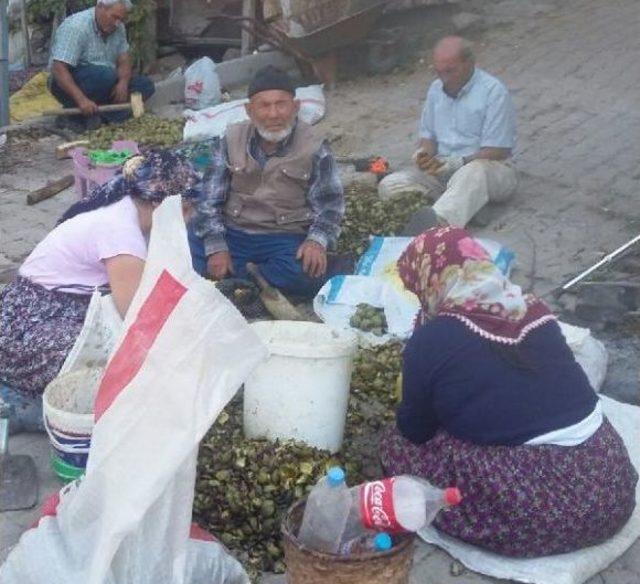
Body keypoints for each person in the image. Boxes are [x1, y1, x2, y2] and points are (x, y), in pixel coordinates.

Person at [380, 226, 637, 557]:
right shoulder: (535, 311)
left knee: (395, 446)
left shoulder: (430, 340)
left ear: (430, 280)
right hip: (608, 488)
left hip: (539, 512)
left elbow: (414, 429)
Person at [0, 151, 201, 432]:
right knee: (117, 368)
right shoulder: (121, 234)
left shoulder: (123, 204)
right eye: (188, 208)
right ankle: (17, 402)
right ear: (165, 206)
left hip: (39, 308)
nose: (189, 217)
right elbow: (137, 318)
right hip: (27, 330)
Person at [188, 66, 344, 297]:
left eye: (281, 104)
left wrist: (316, 242)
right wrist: (216, 247)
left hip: (283, 237)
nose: (273, 114)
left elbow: (330, 205)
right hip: (234, 232)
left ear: (296, 107)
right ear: (249, 111)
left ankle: (235, 282)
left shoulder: (314, 145)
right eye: (264, 105)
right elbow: (210, 200)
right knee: (187, 244)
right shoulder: (230, 139)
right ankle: (255, 281)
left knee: (304, 271)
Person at [379, 37, 518, 231]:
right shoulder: (436, 89)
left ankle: (436, 227)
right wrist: (423, 154)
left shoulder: (493, 92)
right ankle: (465, 205)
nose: (444, 78)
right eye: (439, 72)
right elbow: (429, 138)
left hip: (488, 169)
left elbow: (498, 150)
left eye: (450, 71)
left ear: (469, 63)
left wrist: (459, 163)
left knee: (472, 173)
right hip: (442, 171)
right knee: (390, 185)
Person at [49, 0, 155, 129]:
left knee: (145, 85)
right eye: (114, 17)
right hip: (70, 83)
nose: (117, 23)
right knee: (106, 76)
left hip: (105, 81)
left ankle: (98, 117)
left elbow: (124, 59)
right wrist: (81, 100)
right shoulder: (76, 27)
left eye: (120, 19)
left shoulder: (118, 27)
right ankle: (74, 113)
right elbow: (59, 69)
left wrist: (123, 83)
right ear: (100, 7)